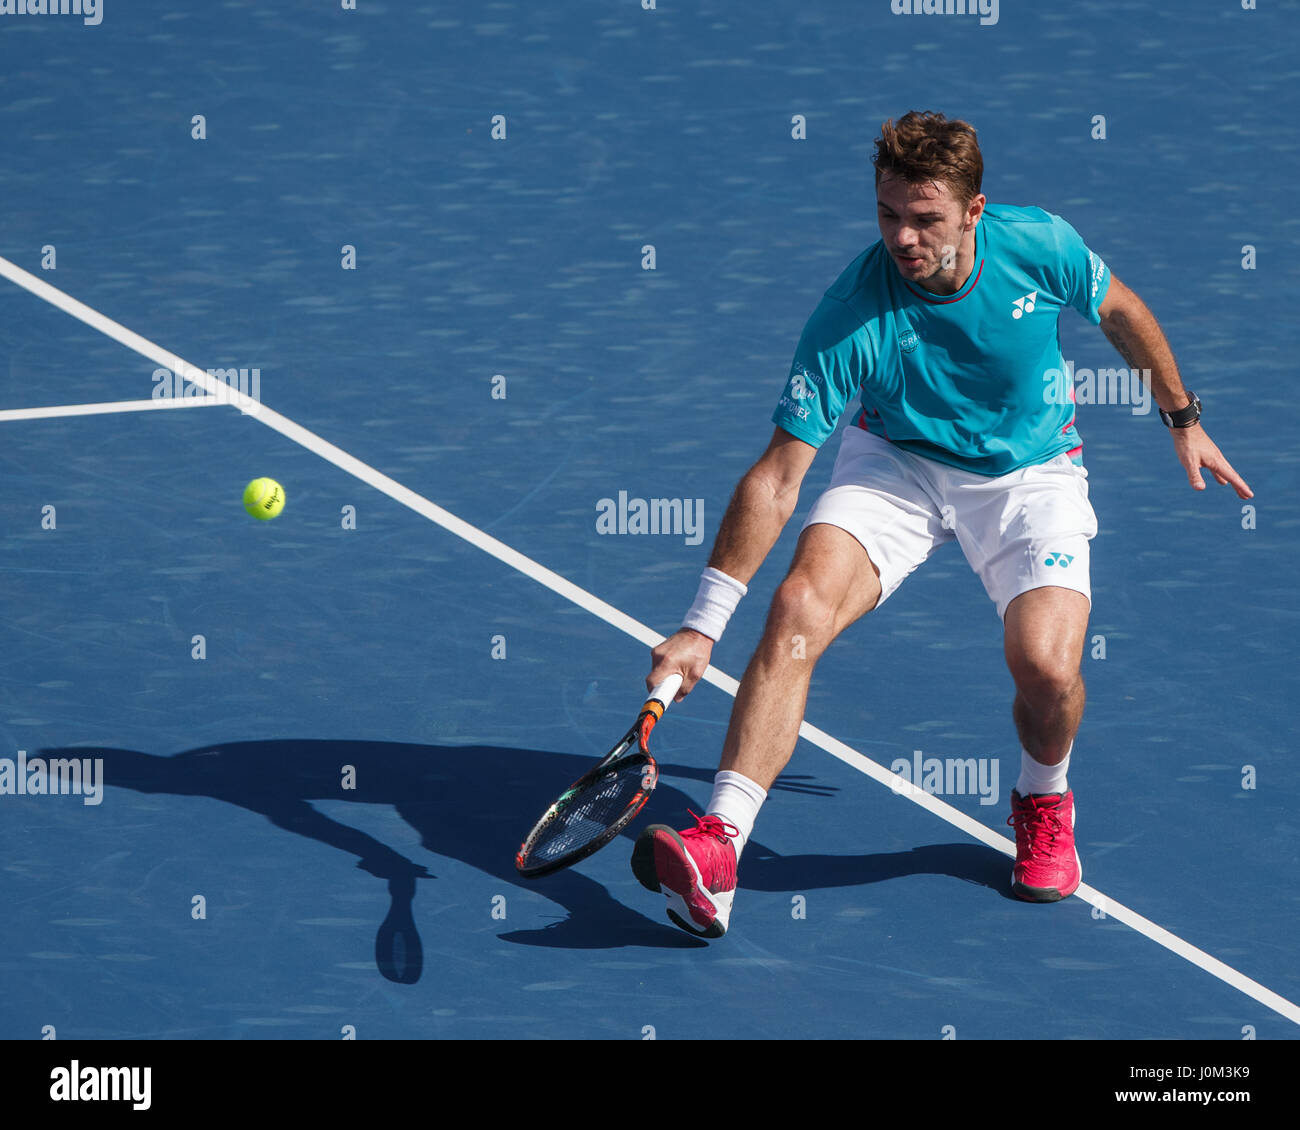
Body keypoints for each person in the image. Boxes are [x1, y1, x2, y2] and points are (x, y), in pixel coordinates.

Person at [631, 110, 1252, 939]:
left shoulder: (1042, 246)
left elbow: (1121, 312)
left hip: (1031, 472)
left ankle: (1042, 797)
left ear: (974, 210)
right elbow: (779, 478)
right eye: (888, 215)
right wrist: (701, 626)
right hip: (900, 463)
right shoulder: (851, 313)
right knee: (796, 610)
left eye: (924, 219)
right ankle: (720, 845)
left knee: (1046, 667)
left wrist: (1183, 417)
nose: (903, 238)